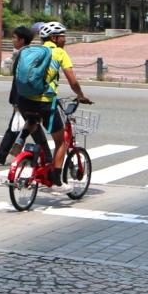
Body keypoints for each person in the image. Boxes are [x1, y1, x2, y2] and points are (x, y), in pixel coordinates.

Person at [16, 21, 90, 184]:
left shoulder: (33, 51)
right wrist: (81, 95)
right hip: (45, 102)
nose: (65, 39)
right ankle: (57, 180)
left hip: (24, 100)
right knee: (61, 141)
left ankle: (20, 139)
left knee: (33, 119)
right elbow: (73, 81)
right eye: (63, 36)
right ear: (54, 38)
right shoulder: (59, 53)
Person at [0, 25, 37, 165]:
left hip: (23, 98)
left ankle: (46, 158)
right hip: (27, 97)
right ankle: (2, 154)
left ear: (22, 40)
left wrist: (17, 101)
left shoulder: (23, 55)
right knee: (18, 126)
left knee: (29, 128)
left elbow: (19, 80)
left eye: (14, 38)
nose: (12, 40)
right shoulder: (29, 53)